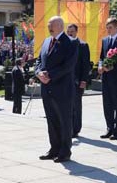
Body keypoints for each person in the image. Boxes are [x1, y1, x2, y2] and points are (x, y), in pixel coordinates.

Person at [35, 15, 78, 163]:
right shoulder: (47, 41)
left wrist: (50, 75)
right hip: (47, 88)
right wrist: (38, 73)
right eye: (48, 25)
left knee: (64, 121)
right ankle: (54, 148)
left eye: (51, 25)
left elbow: (68, 66)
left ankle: (65, 151)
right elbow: (39, 61)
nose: (49, 27)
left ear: (60, 26)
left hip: (62, 89)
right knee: (52, 120)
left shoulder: (70, 42)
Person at [66, 23, 91, 137]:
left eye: (72, 31)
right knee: (67, 106)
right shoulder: (64, 44)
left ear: (76, 32)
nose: (70, 33)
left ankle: (76, 129)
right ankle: (68, 127)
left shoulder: (83, 45)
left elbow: (86, 65)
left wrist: (84, 80)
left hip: (77, 81)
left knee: (76, 105)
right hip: (65, 81)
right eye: (68, 31)